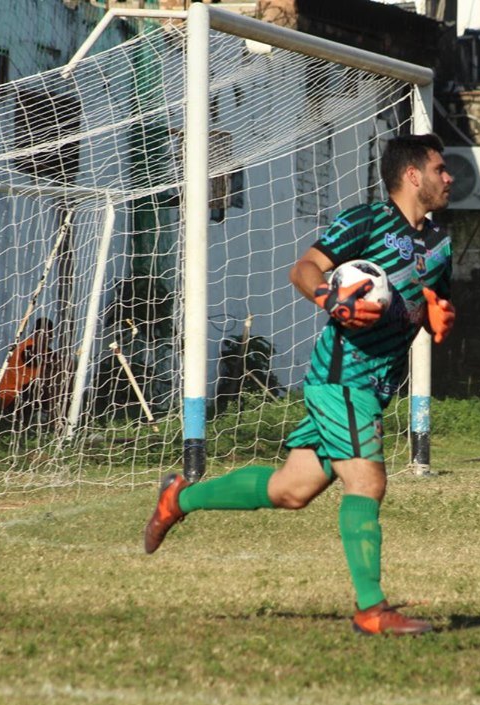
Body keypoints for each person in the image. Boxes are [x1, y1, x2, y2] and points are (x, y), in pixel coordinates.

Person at [144, 134, 456, 636]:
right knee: (368, 481)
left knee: (290, 490)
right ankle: (371, 610)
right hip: (342, 378)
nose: (449, 178)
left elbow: (430, 303)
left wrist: (437, 317)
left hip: (376, 385)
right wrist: (330, 300)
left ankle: (177, 499)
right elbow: (304, 268)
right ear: (413, 175)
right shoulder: (367, 220)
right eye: (441, 169)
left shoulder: (440, 241)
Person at [0, 317, 65, 426]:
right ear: (35, 333)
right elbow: (39, 360)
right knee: (45, 380)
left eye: (50, 336)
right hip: (12, 397)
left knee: (59, 377)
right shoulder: (27, 348)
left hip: (26, 394)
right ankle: (49, 417)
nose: (48, 339)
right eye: (44, 335)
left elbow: (62, 362)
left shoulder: (44, 350)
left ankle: (50, 416)